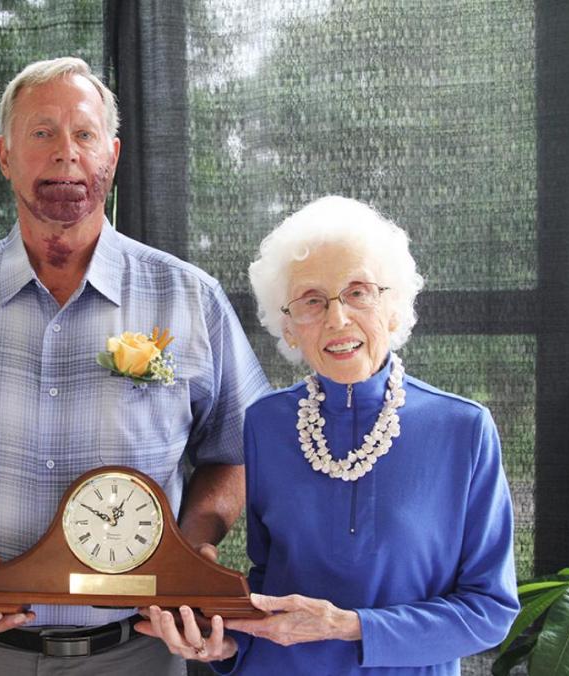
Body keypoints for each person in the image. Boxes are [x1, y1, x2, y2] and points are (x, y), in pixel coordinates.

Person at [0, 57, 269, 675]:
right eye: (42, 133)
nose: (66, 153)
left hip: (136, 652)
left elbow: (234, 452)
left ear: (111, 156)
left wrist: (188, 550)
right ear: (5, 155)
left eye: (84, 134)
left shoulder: (190, 298)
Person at [137, 196, 519, 674]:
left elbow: (490, 612)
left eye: (358, 292)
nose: (337, 319)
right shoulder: (265, 424)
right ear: (290, 327)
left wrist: (349, 625)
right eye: (312, 301)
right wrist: (227, 646)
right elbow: (268, 584)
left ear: (394, 307)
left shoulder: (463, 428)